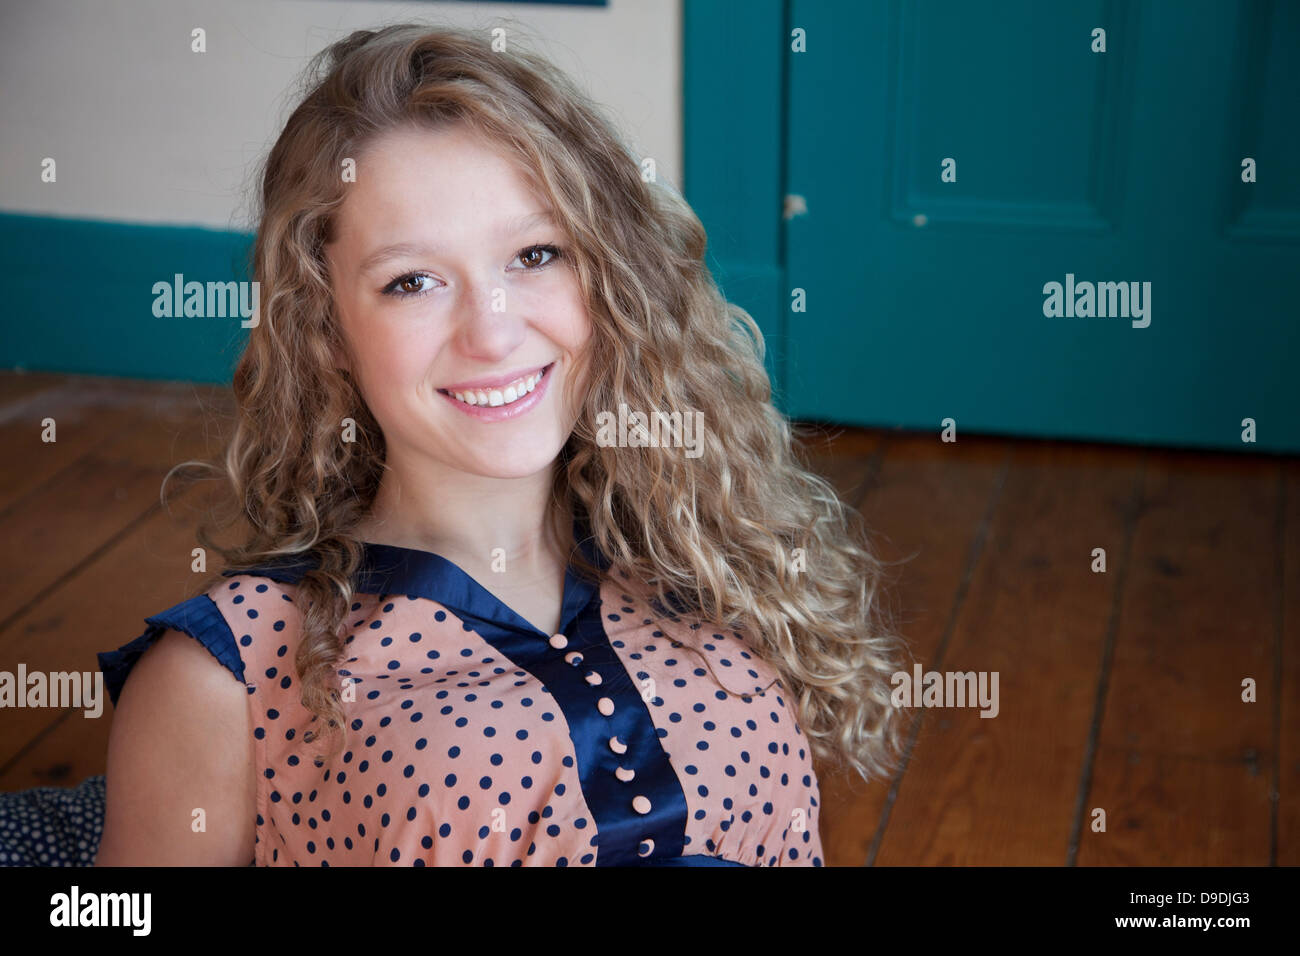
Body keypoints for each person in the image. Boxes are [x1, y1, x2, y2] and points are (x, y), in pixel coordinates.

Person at [93, 23, 908, 867]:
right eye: (413, 281)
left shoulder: (707, 555)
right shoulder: (227, 674)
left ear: (608, 273)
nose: (492, 331)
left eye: (534, 255)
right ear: (324, 327)